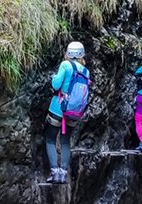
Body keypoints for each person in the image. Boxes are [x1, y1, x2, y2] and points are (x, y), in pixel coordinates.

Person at [45, 41, 89, 184]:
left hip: (58, 107)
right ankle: (63, 173)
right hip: (74, 112)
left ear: (68, 53)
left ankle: (54, 172)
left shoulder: (65, 65)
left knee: (50, 139)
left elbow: (56, 84)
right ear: (82, 54)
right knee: (65, 141)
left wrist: (53, 78)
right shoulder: (85, 71)